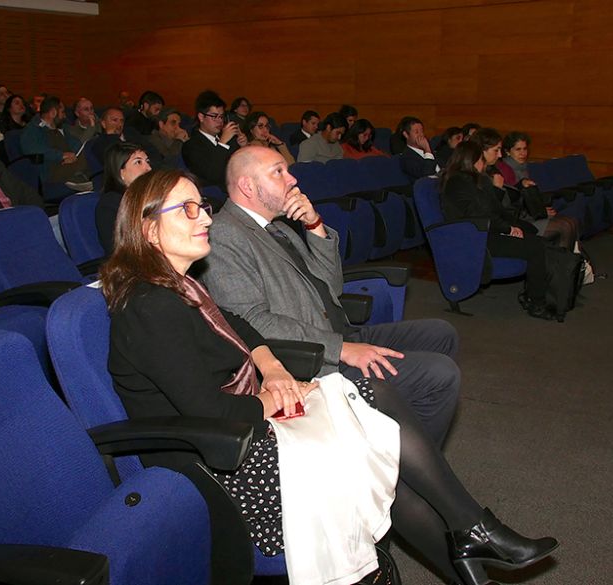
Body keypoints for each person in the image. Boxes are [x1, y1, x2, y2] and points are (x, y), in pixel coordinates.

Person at [103, 167, 559, 585]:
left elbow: (239, 325)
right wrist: (279, 397)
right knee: (372, 433)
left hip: (240, 428)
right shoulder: (151, 306)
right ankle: (473, 532)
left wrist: (273, 369)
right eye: (187, 209)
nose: (205, 217)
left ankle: (470, 537)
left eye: (202, 205)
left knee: (376, 435)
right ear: (149, 229)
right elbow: (212, 411)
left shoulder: (181, 286)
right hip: (224, 466)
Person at [200, 145, 459, 445]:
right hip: (310, 359)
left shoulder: (279, 228)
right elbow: (252, 321)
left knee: (441, 334)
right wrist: (341, 349)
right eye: (278, 172)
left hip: (339, 333)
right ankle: (413, 464)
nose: (292, 179)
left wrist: (314, 225)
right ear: (247, 186)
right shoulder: (225, 234)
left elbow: (332, 286)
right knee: (440, 374)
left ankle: (397, 439)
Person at [441, 141, 555, 321]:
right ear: (473, 161)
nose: (484, 163)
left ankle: (536, 293)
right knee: (535, 247)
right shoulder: (458, 182)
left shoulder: (474, 180)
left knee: (534, 237)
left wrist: (516, 225)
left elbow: (495, 210)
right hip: (474, 238)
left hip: (485, 230)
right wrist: (508, 229)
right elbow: (479, 215)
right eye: (481, 159)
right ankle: (536, 303)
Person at [472, 128, 577, 250]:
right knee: (564, 226)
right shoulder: (497, 171)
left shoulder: (495, 170)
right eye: (496, 150)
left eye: (525, 149)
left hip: (515, 217)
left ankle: (567, 258)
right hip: (507, 223)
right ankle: (565, 259)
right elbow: (494, 209)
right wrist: (499, 189)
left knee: (569, 223)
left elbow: (510, 199)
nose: (499, 155)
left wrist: (521, 187)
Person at [95, 142, 152, 253]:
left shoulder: (151, 196)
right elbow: (121, 250)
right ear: (120, 172)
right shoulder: (110, 205)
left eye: (147, 161)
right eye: (138, 162)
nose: (148, 168)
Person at [181, 90, 245, 190]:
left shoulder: (230, 139)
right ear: (201, 117)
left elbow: (242, 166)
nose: (219, 121)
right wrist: (222, 143)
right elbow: (212, 175)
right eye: (214, 116)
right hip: (214, 194)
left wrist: (244, 147)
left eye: (221, 117)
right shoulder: (191, 145)